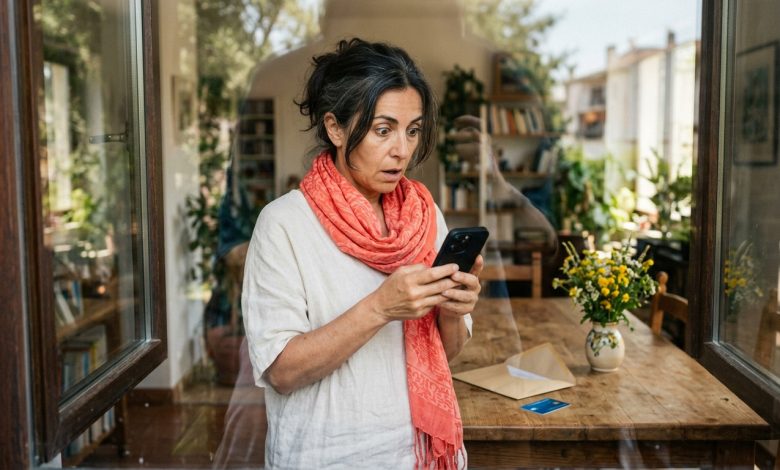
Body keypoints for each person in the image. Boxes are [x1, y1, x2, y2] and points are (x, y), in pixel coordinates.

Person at [242, 38, 483, 469]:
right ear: (335, 128)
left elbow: (446, 352)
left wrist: (451, 308)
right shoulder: (284, 225)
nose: (403, 151)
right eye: (383, 130)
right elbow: (281, 371)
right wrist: (380, 307)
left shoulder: (424, 215)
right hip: (327, 455)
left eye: (412, 131)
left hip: (416, 453)